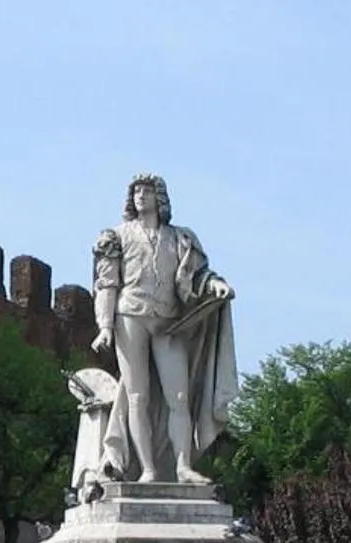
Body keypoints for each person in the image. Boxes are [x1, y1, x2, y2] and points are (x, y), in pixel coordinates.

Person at [89, 174, 239, 485]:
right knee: (137, 396)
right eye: (136, 191)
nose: (140, 196)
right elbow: (107, 284)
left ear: (159, 197)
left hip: (169, 322)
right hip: (130, 316)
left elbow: (197, 274)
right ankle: (148, 469)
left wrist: (215, 284)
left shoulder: (180, 238)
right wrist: (105, 326)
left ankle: (183, 466)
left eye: (146, 191)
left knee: (179, 396)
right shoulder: (116, 236)